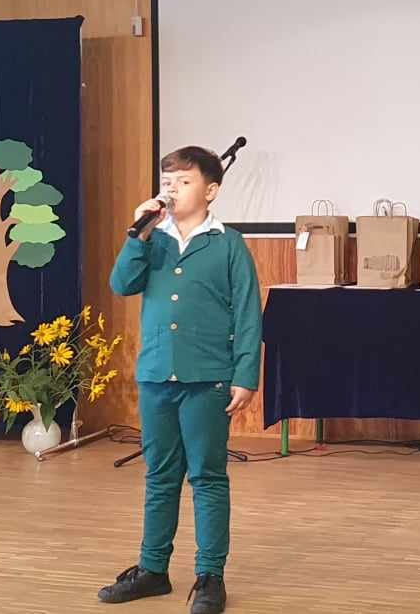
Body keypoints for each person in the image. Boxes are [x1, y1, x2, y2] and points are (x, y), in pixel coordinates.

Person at [98, 146, 263, 613]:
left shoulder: (228, 244)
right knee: (160, 476)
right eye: (167, 182)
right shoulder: (152, 240)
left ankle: (209, 576)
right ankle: (153, 569)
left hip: (208, 378)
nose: (171, 190)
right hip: (156, 375)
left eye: (183, 182)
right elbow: (121, 285)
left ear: (211, 191)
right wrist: (138, 234)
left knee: (207, 476)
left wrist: (245, 375)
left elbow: (248, 314)